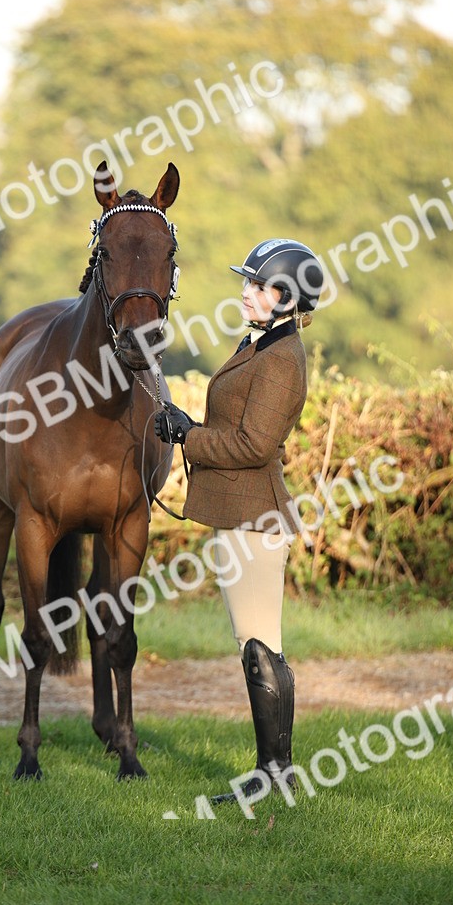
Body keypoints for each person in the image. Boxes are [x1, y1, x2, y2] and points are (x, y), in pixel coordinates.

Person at [154, 238, 324, 803]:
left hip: (255, 515)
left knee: (259, 646)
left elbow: (254, 444)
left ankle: (272, 773)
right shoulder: (263, 343)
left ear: (288, 296)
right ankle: (275, 772)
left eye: (260, 285)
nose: (247, 292)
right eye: (247, 282)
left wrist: (187, 435)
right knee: (257, 643)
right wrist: (187, 424)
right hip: (241, 512)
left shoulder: (280, 358)